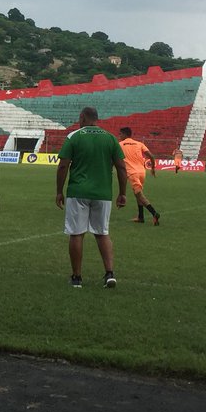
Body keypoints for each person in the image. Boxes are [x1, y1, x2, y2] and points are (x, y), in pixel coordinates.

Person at [56, 107, 127, 289]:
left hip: (78, 192)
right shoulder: (110, 138)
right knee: (102, 233)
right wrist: (122, 193)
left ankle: (77, 277)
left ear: (82, 117)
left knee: (76, 233)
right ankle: (109, 274)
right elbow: (121, 167)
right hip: (103, 193)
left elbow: (63, 165)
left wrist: (59, 191)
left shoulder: (75, 136)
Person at [119, 127, 160, 225]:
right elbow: (151, 156)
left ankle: (154, 213)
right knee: (137, 193)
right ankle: (141, 217)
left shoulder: (120, 145)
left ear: (125, 134)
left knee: (139, 195)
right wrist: (153, 168)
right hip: (142, 171)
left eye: (120, 134)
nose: (119, 136)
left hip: (132, 173)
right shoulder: (139, 143)